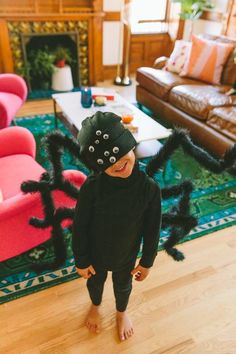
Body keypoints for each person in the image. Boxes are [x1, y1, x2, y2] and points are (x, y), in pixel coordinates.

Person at [72, 111, 161, 341]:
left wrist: (147, 261)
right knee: (95, 283)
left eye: (122, 154)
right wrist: (81, 260)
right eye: (109, 163)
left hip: (127, 255)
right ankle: (95, 305)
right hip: (95, 254)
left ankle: (121, 312)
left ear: (132, 146)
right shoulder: (91, 188)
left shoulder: (149, 189)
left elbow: (152, 229)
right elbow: (79, 226)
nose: (119, 164)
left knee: (123, 287)